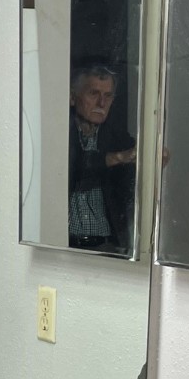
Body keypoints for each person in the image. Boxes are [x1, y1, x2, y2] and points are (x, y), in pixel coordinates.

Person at [67, 63, 136, 253]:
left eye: (108, 96)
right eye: (93, 94)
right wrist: (117, 158)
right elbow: (74, 166)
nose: (102, 104)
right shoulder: (59, 133)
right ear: (72, 97)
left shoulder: (116, 137)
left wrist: (154, 157)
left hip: (107, 247)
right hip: (63, 245)